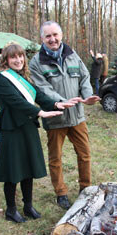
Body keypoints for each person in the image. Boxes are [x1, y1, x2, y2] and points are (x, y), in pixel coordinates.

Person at [0, 42, 75, 223]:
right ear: (6, 60)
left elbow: (38, 95)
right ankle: (11, 210)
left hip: (28, 127)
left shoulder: (23, 78)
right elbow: (17, 102)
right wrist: (40, 112)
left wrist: (55, 104)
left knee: (28, 168)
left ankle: (28, 206)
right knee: (13, 171)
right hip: (12, 129)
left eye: (21, 56)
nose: (18, 60)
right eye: (13, 57)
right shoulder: (1, 79)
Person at [29, 21, 101, 210]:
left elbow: (84, 77)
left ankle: (85, 189)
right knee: (56, 158)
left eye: (55, 35)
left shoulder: (72, 55)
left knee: (84, 155)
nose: (52, 39)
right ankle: (61, 193)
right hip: (55, 118)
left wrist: (87, 96)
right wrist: (62, 101)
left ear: (61, 35)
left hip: (77, 117)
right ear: (42, 39)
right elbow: (42, 88)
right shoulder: (36, 62)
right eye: (48, 36)